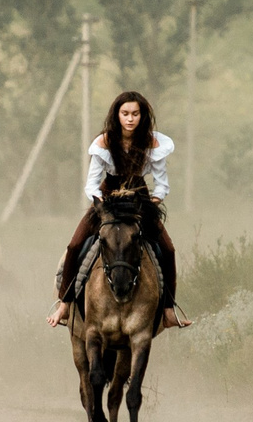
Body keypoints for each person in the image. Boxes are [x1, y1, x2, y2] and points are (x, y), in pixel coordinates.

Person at [47, 90, 190, 331]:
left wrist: (153, 201)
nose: (130, 118)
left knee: (168, 248)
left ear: (142, 115)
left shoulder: (153, 143)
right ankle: (65, 303)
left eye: (135, 113)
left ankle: (167, 310)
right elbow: (91, 184)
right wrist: (103, 204)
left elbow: (162, 183)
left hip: (140, 198)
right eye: (125, 113)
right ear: (117, 115)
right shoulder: (104, 142)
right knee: (75, 245)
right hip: (107, 198)